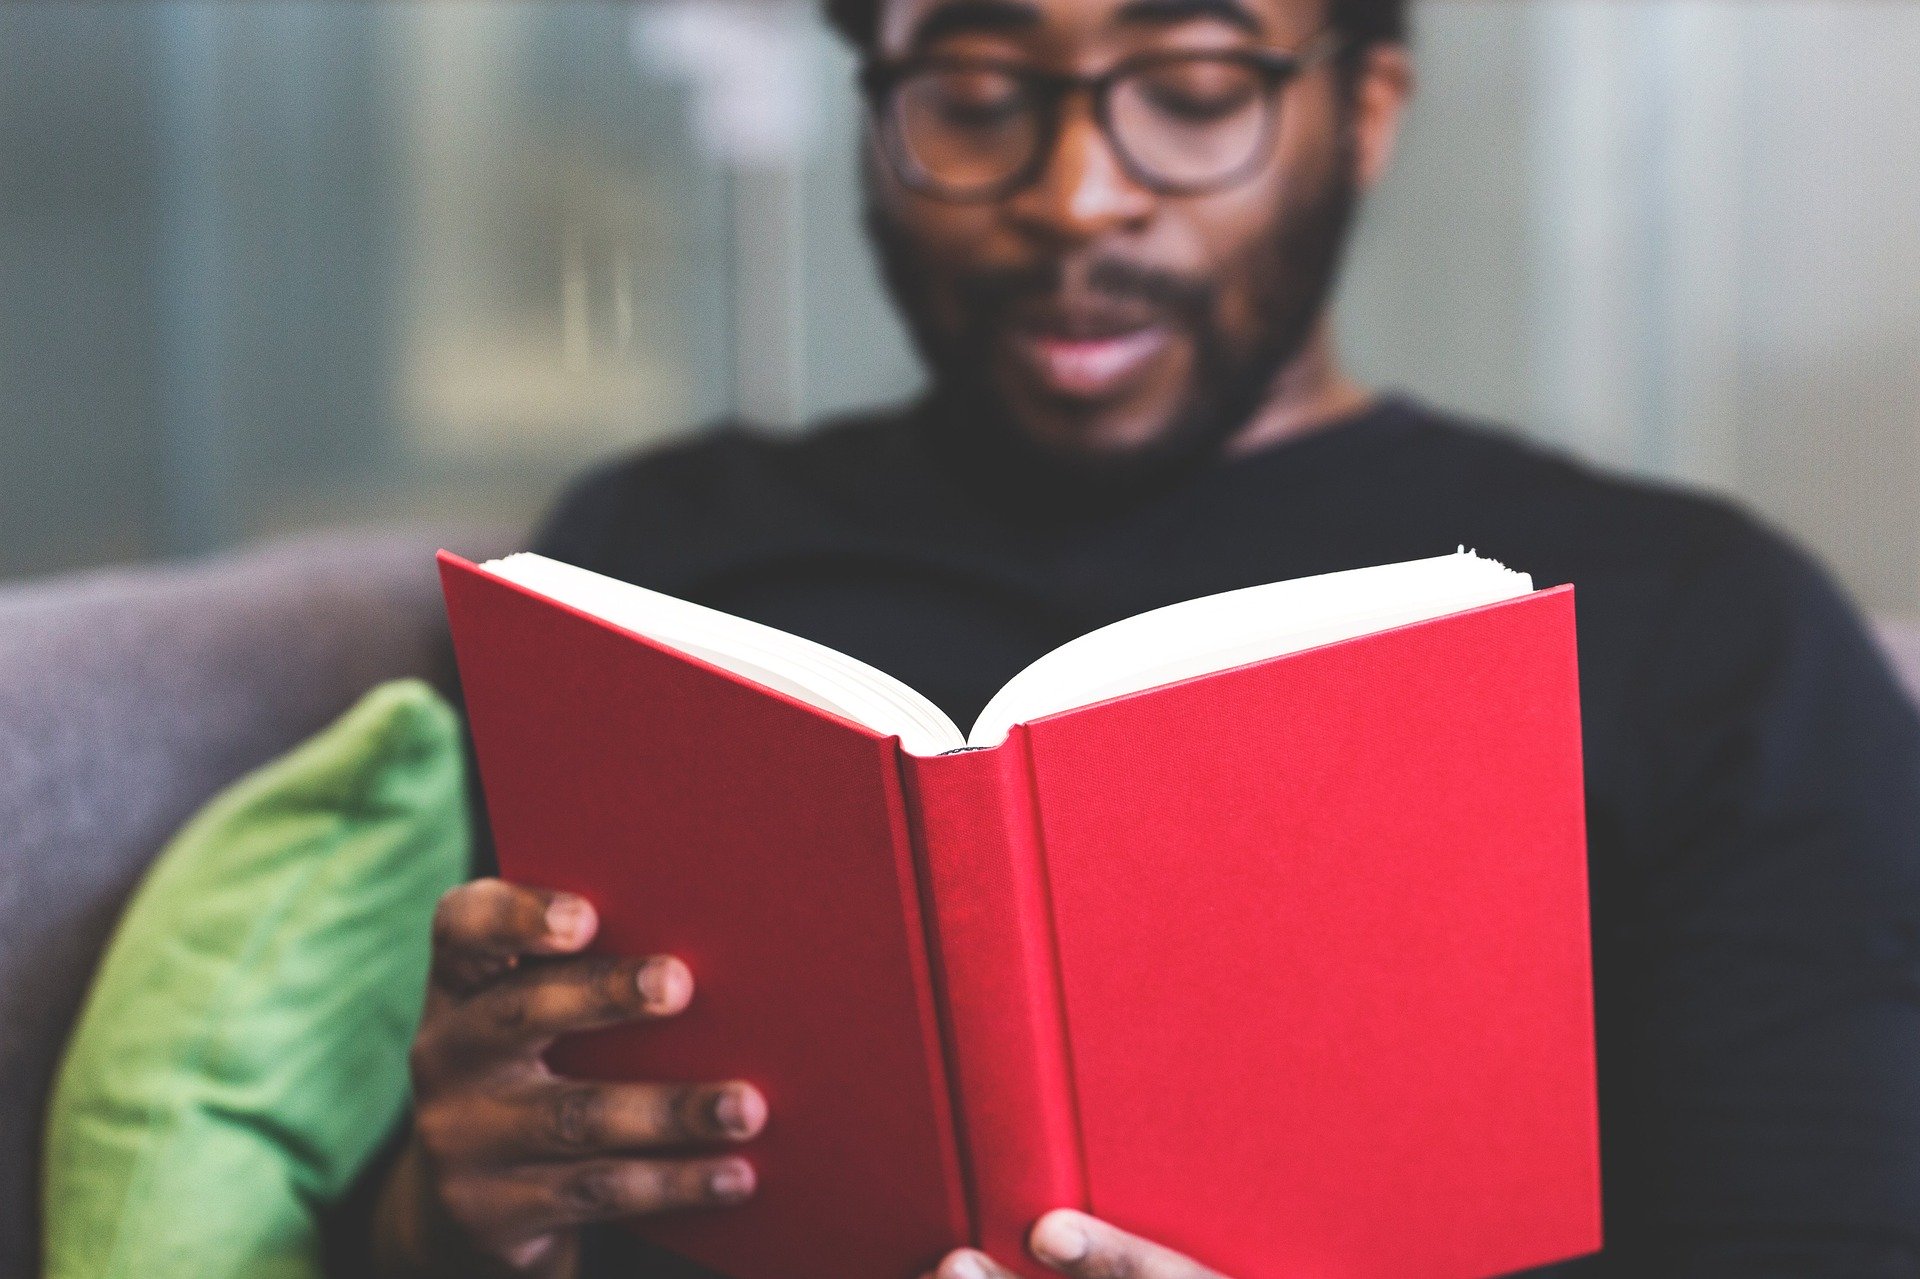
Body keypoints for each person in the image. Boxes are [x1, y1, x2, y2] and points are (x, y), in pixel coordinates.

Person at [362, 0, 1920, 1273]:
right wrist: (461, 1221)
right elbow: (450, 1171)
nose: (1075, 196)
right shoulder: (641, 569)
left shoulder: (1709, 626)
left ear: (1365, 113)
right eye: (973, 93)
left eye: (1190, 89)